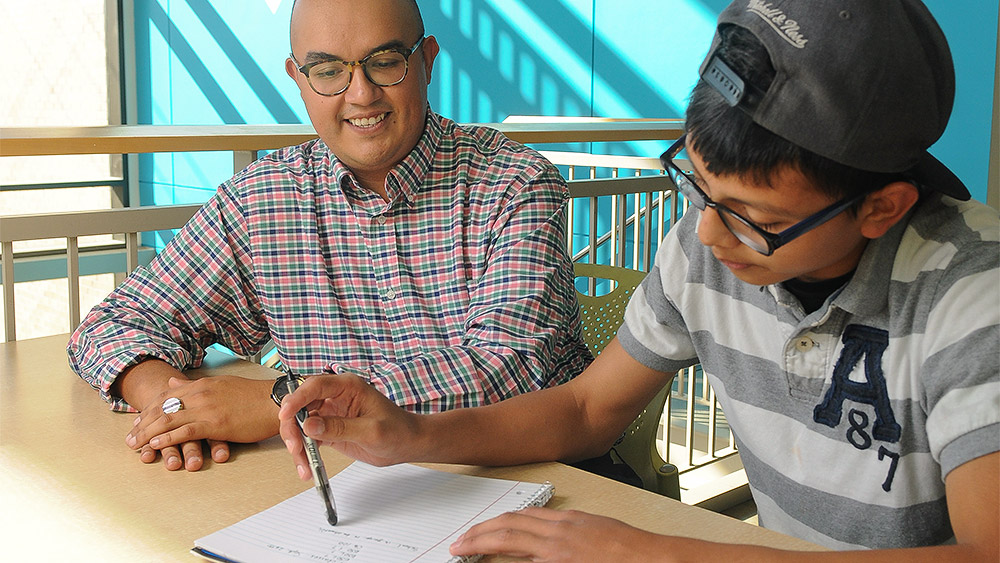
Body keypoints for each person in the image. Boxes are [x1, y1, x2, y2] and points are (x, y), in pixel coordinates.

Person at [277, 1, 999, 560]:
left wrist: (660, 548)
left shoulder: (971, 294)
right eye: (697, 183)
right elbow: (590, 409)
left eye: (754, 217)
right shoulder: (703, 243)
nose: (710, 236)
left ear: (881, 207)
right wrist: (411, 435)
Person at [66, 0, 592, 473]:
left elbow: (515, 369)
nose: (361, 94)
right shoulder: (261, 200)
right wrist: (175, 406)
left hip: (530, 476)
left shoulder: (514, 181)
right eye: (327, 70)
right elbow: (118, 322)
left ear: (427, 60)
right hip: (345, 489)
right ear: (297, 77)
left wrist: (282, 400)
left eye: (385, 62)